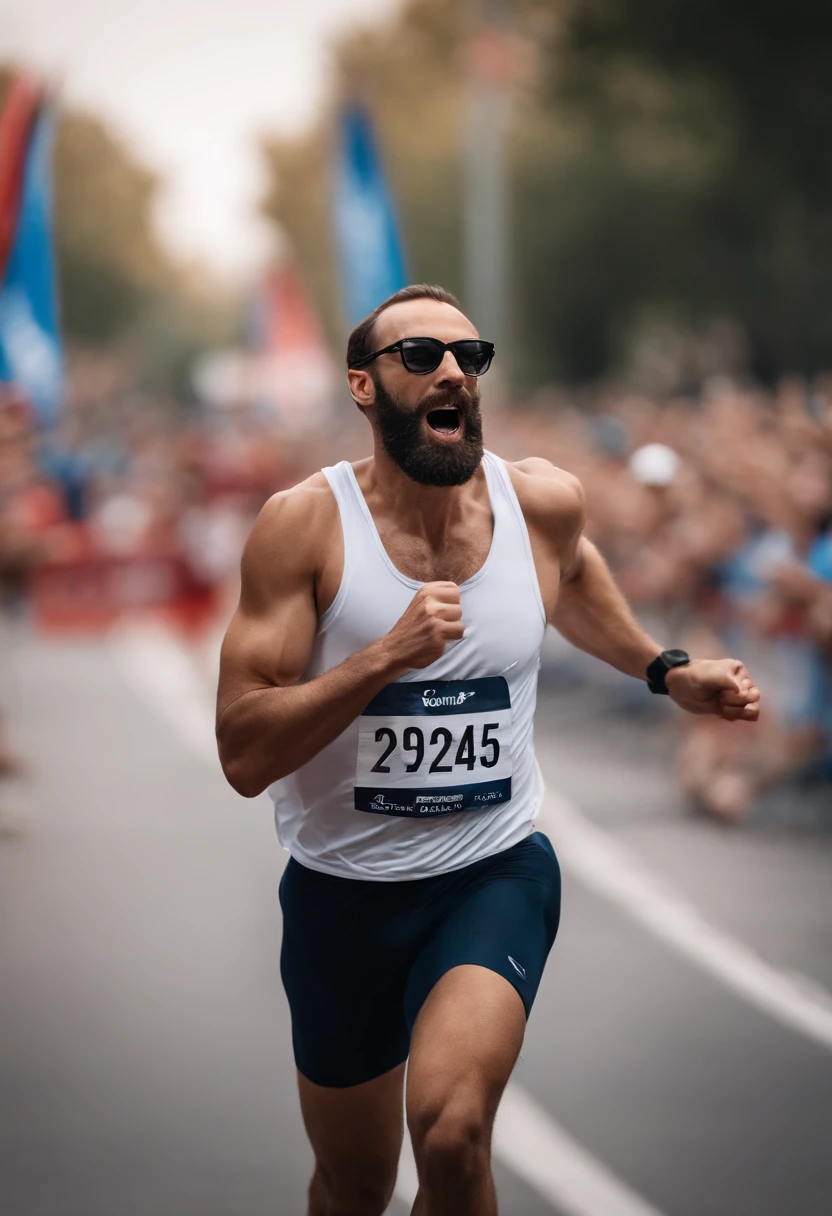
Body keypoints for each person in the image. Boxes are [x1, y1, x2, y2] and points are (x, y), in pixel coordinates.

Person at [216, 284, 761, 1216]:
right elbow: (242, 751)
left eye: (470, 359)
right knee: (354, 1186)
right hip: (341, 896)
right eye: (421, 357)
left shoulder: (541, 502)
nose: (452, 375)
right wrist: (384, 658)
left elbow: (575, 575)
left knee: (454, 1129)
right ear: (362, 384)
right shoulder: (304, 526)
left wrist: (664, 668)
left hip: (489, 873)